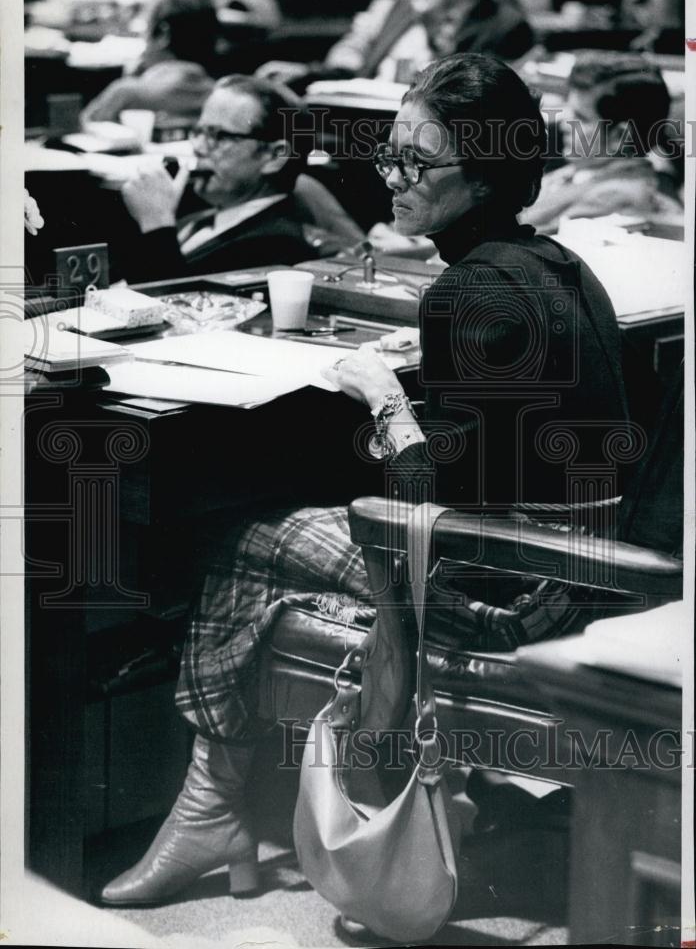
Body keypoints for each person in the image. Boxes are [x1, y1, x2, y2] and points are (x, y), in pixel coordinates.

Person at [100, 53, 629, 907]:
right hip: (582, 571)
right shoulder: (560, 267)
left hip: (507, 588)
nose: (394, 178)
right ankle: (218, 814)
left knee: (233, 536)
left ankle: (210, 810)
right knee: (272, 526)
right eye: (391, 157)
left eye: (418, 164)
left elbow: (427, 502)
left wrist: (384, 392)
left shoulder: (465, 292)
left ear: (485, 172)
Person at [120, 75, 327, 281]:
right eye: (198, 131)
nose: (198, 147)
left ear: (274, 156)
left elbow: (173, 307)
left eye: (218, 136)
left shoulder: (276, 247)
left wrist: (156, 224)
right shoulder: (198, 215)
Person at [256, 0, 532, 88]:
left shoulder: (506, 25)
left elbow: (473, 96)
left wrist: (435, 28)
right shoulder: (389, 4)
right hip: (362, 116)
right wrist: (306, 72)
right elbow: (350, 55)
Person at [521, 51, 683, 234]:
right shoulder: (585, 170)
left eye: (581, 117)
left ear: (619, 136)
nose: (564, 121)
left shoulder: (616, 196)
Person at [80, 0, 219, 126]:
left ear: (163, 35)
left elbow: (82, 126)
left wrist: (130, 79)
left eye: (145, 26)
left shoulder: (126, 93)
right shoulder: (220, 96)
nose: (141, 35)